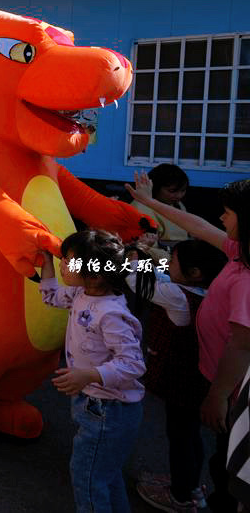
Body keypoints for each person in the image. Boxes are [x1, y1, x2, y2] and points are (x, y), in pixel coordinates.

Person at [127, 172, 250, 513]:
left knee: (227, 459)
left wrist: (218, 395)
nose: (220, 217)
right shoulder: (238, 251)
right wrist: (151, 202)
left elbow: (242, 345)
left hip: (229, 389)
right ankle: (191, 488)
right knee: (204, 444)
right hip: (209, 377)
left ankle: (191, 498)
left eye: (228, 212)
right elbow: (198, 226)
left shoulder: (246, 278)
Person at [38, 230, 146, 512]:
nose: (64, 265)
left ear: (96, 275)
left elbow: (133, 364)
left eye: (68, 261)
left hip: (109, 409)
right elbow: (51, 295)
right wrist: (46, 260)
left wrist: (89, 374)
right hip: (94, 404)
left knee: (88, 477)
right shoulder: (80, 292)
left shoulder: (110, 313)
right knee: (105, 476)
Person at [134, 239, 228, 511]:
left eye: (173, 260)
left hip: (179, 379)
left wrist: (134, 257)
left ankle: (180, 494)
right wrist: (153, 257)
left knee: (180, 436)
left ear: (195, 272)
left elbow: (135, 279)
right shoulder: (207, 290)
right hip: (198, 378)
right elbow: (163, 271)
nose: (168, 263)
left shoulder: (176, 295)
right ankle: (188, 484)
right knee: (190, 434)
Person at [131, 163, 191, 248]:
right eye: (172, 191)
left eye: (183, 191)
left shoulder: (178, 204)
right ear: (155, 187)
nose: (179, 195)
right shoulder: (141, 208)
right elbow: (147, 246)